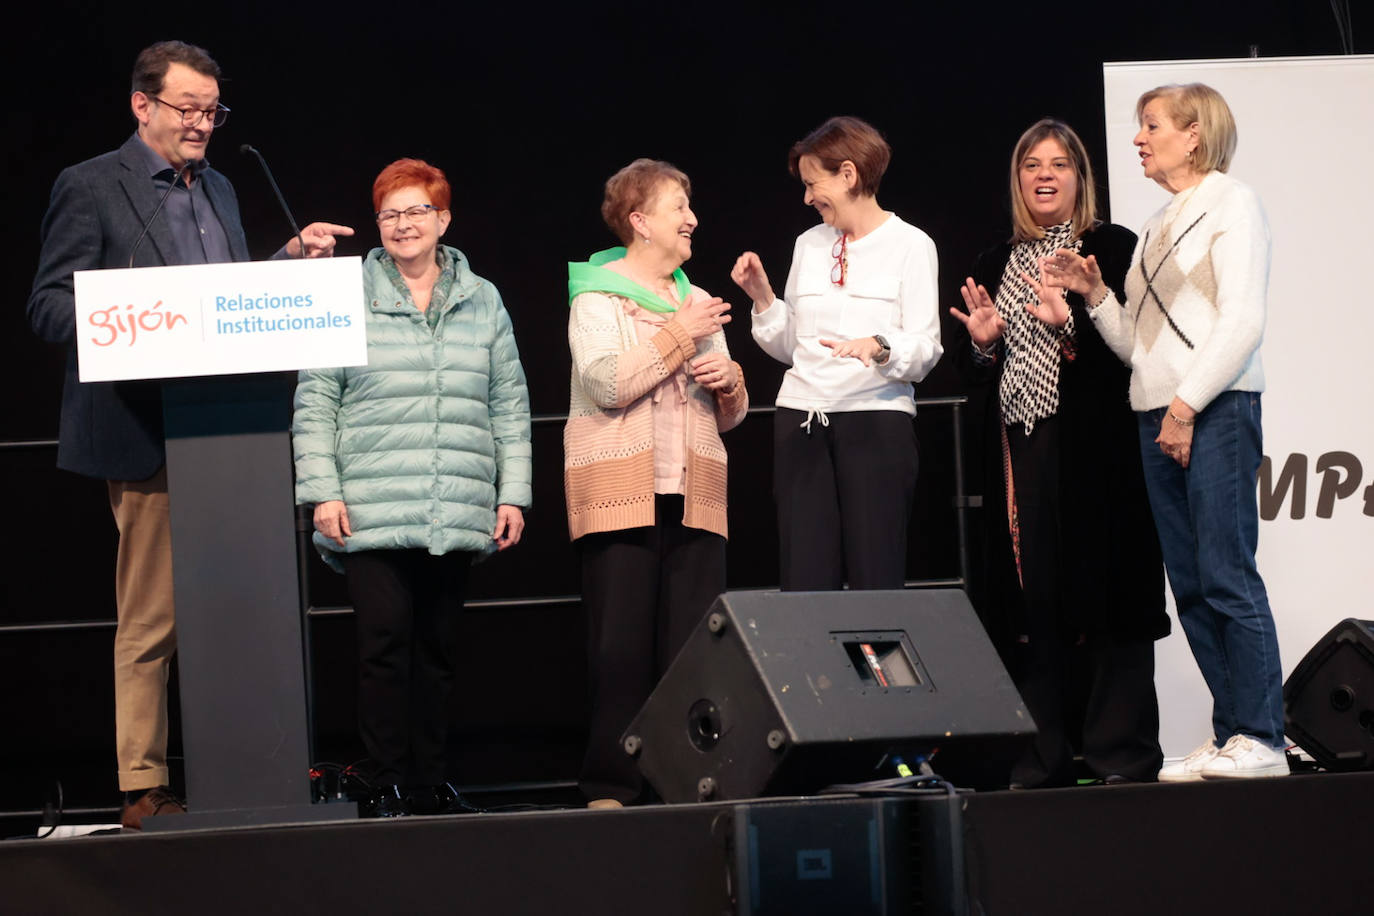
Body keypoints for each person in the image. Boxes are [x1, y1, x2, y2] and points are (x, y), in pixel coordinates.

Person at [26, 40, 353, 830]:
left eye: (214, 110)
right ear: (143, 106)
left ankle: (250, 773)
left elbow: (226, 305)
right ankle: (142, 784)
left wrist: (286, 261)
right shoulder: (91, 186)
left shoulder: (224, 190)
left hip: (233, 431)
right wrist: (133, 321)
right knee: (154, 617)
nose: (204, 124)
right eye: (189, 109)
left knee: (241, 605)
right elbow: (48, 307)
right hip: (148, 431)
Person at [1045, 84, 1287, 781]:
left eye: (1151, 126)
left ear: (1193, 133)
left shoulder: (1232, 203)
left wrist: (1184, 408)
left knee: (1227, 575)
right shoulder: (1153, 224)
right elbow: (1139, 347)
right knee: (1190, 586)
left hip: (1213, 409)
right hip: (1157, 412)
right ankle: (1232, 732)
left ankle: (1264, 735)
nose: (1139, 139)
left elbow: (1241, 322)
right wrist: (1094, 296)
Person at [292, 158, 532, 817]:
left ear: (443, 220)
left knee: (438, 650)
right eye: (390, 214)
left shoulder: (481, 298)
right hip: (368, 503)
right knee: (383, 643)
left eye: (416, 211)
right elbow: (316, 401)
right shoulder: (345, 294)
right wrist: (323, 492)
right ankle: (383, 778)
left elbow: (509, 402)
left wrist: (512, 493)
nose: (403, 225)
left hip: (454, 502)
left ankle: (428, 782)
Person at [951, 119, 1169, 788]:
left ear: (1080, 177)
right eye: (1031, 166)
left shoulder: (1111, 246)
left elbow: (1139, 355)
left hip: (1098, 456)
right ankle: (1037, 759)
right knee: (1030, 603)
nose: (1045, 175)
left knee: (1107, 596)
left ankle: (1119, 757)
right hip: (1021, 451)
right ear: (1018, 181)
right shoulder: (995, 261)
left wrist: (1068, 327)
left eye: (1059, 165)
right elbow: (978, 373)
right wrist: (985, 345)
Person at [565, 159, 748, 807]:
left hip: (693, 490)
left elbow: (732, 411)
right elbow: (609, 383)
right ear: (641, 221)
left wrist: (733, 387)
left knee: (692, 654)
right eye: (679, 207)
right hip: (622, 493)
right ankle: (610, 786)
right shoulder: (597, 294)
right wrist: (680, 335)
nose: (692, 218)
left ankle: (684, 783)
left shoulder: (696, 300)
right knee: (621, 653)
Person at [732, 116, 941, 590]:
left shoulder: (911, 245)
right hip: (800, 423)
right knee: (805, 578)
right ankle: (814, 670)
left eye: (813, 183)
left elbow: (926, 348)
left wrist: (880, 347)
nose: (807, 198)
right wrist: (764, 299)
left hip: (874, 421)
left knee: (876, 574)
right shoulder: (808, 244)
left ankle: (877, 667)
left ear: (849, 175)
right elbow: (793, 347)